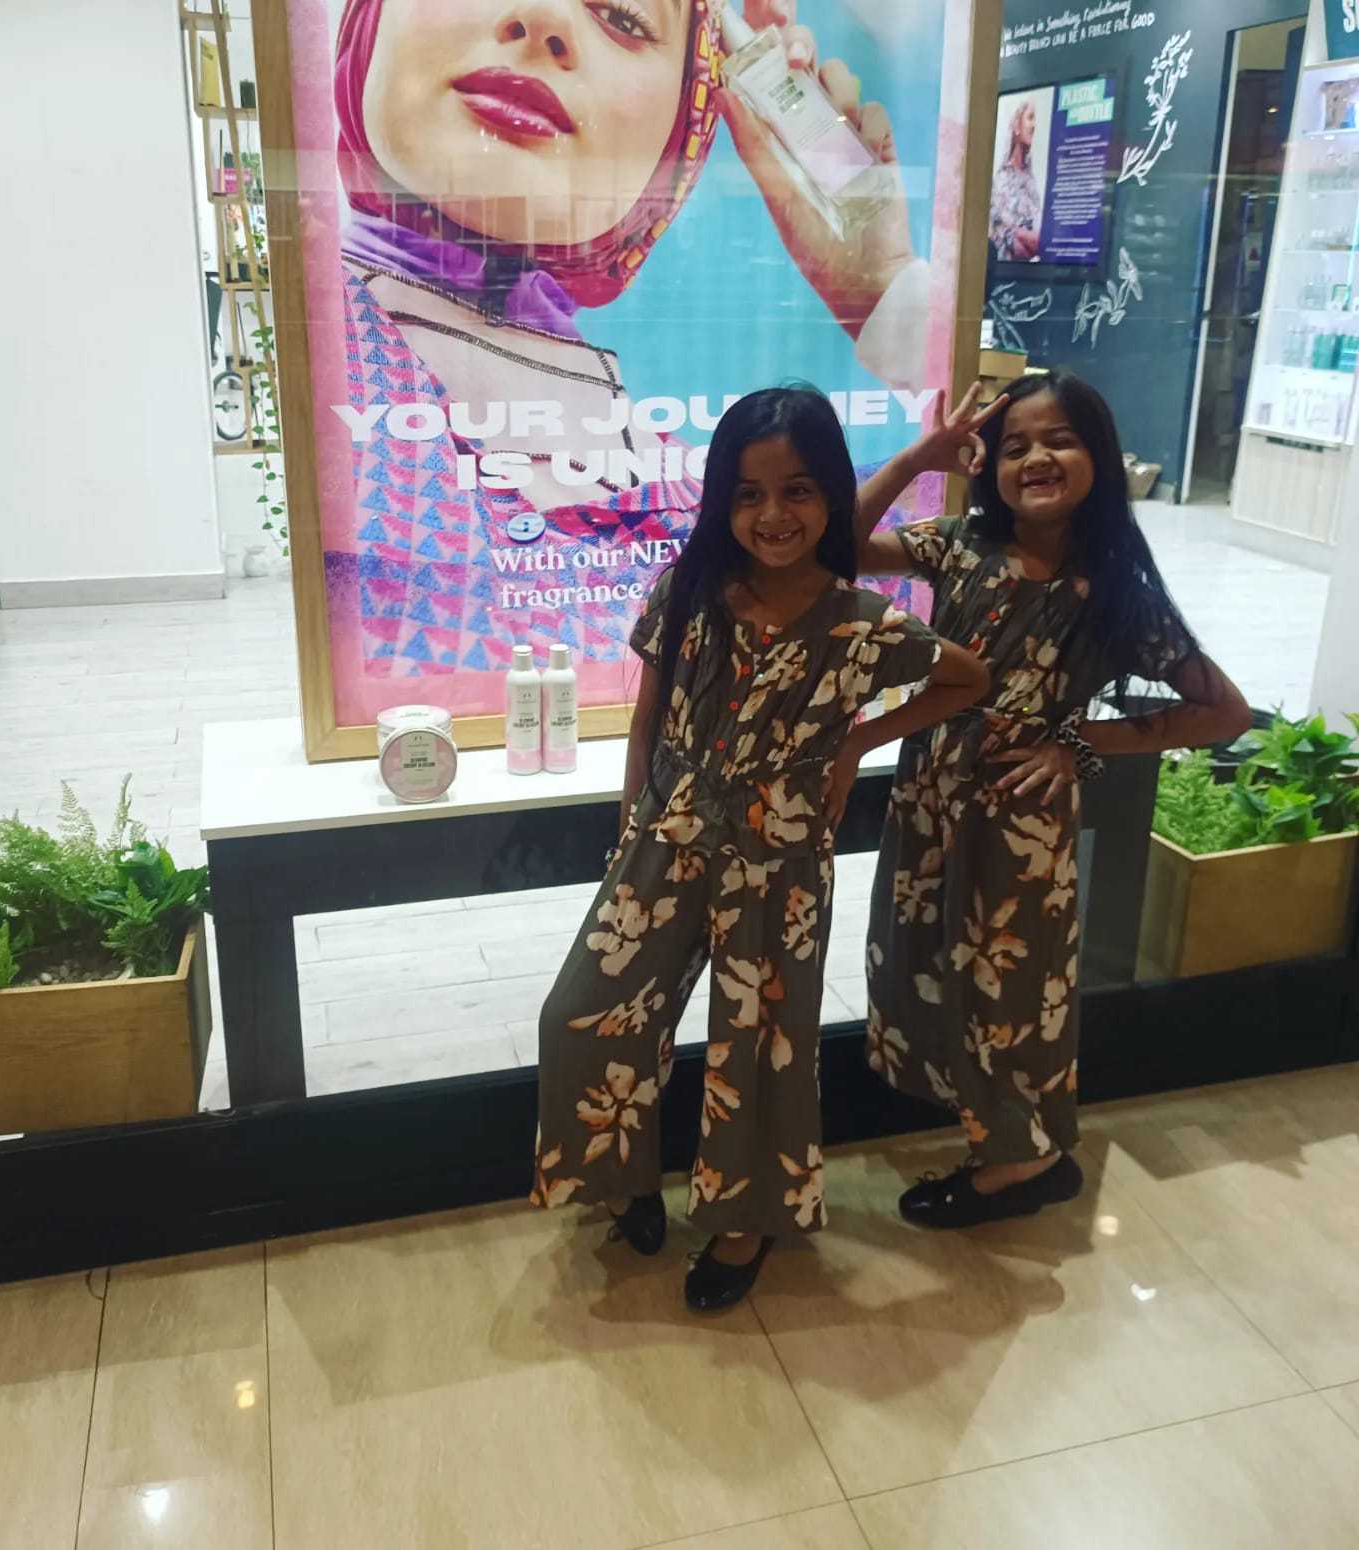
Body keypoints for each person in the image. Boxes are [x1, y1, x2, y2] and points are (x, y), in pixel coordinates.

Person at [329, 0, 932, 717]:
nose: (544, 19)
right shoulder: (328, 383)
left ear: (686, 122)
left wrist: (886, 296)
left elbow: (926, 558)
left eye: (622, 15)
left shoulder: (702, 488)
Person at [530, 387, 988, 1309]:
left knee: (762, 1045)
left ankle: (747, 1221)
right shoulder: (691, 590)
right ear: (721, 500)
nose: (773, 514)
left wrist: (857, 742)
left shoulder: (861, 620)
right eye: (748, 493)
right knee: (584, 1013)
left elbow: (967, 677)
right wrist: (632, 828)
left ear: (831, 495)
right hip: (670, 835)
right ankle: (622, 1178)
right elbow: (648, 719)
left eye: (798, 490)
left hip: (782, 856)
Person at [852, 371, 1252, 1227]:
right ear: (987, 466)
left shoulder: (1114, 589)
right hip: (929, 802)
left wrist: (1079, 742)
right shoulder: (959, 545)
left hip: (1019, 819)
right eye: (1015, 445)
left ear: (1098, 456)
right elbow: (832, 554)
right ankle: (1001, 1138)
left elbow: (1224, 713)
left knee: (1008, 989)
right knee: (929, 967)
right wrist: (915, 461)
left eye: (1059, 439)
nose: (1036, 457)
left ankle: (1021, 1164)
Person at [990, 100, 1042, 263]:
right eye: (1030, 118)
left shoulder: (1031, 181)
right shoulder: (1002, 179)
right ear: (1017, 126)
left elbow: (1038, 240)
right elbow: (1012, 240)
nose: (1033, 125)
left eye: (1035, 119)